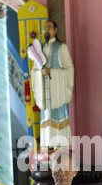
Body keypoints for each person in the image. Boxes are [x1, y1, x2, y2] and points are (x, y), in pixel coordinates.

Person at [31, 20, 74, 149]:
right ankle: (47, 151)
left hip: (57, 93)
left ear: (55, 30)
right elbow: (34, 70)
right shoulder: (39, 49)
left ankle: (61, 150)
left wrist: (52, 72)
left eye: (49, 28)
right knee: (46, 121)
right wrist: (40, 74)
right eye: (44, 28)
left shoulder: (62, 47)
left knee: (59, 122)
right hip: (45, 94)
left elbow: (69, 69)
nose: (46, 30)